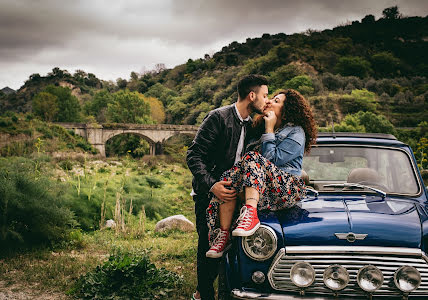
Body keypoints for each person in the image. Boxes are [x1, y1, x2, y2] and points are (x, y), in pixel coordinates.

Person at [205, 89, 318, 258]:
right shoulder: (257, 129)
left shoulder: (296, 132)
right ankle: (223, 235)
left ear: (287, 110)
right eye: (271, 98)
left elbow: (271, 160)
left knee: (252, 158)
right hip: (261, 189)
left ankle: (251, 214)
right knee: (229, 178)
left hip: (284, 189)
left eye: (276, 101)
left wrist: (270, 129)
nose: (270, 101)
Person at [186, 75, 270, 300]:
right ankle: (202, 296)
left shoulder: (253, 125)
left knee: (228, 250)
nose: (266, 100)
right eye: (264, 95)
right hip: (209, 194)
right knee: (208, 250)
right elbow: (194, 155)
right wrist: (212, 185)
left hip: (234, 197)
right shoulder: (218, 117)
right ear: (251, 96)